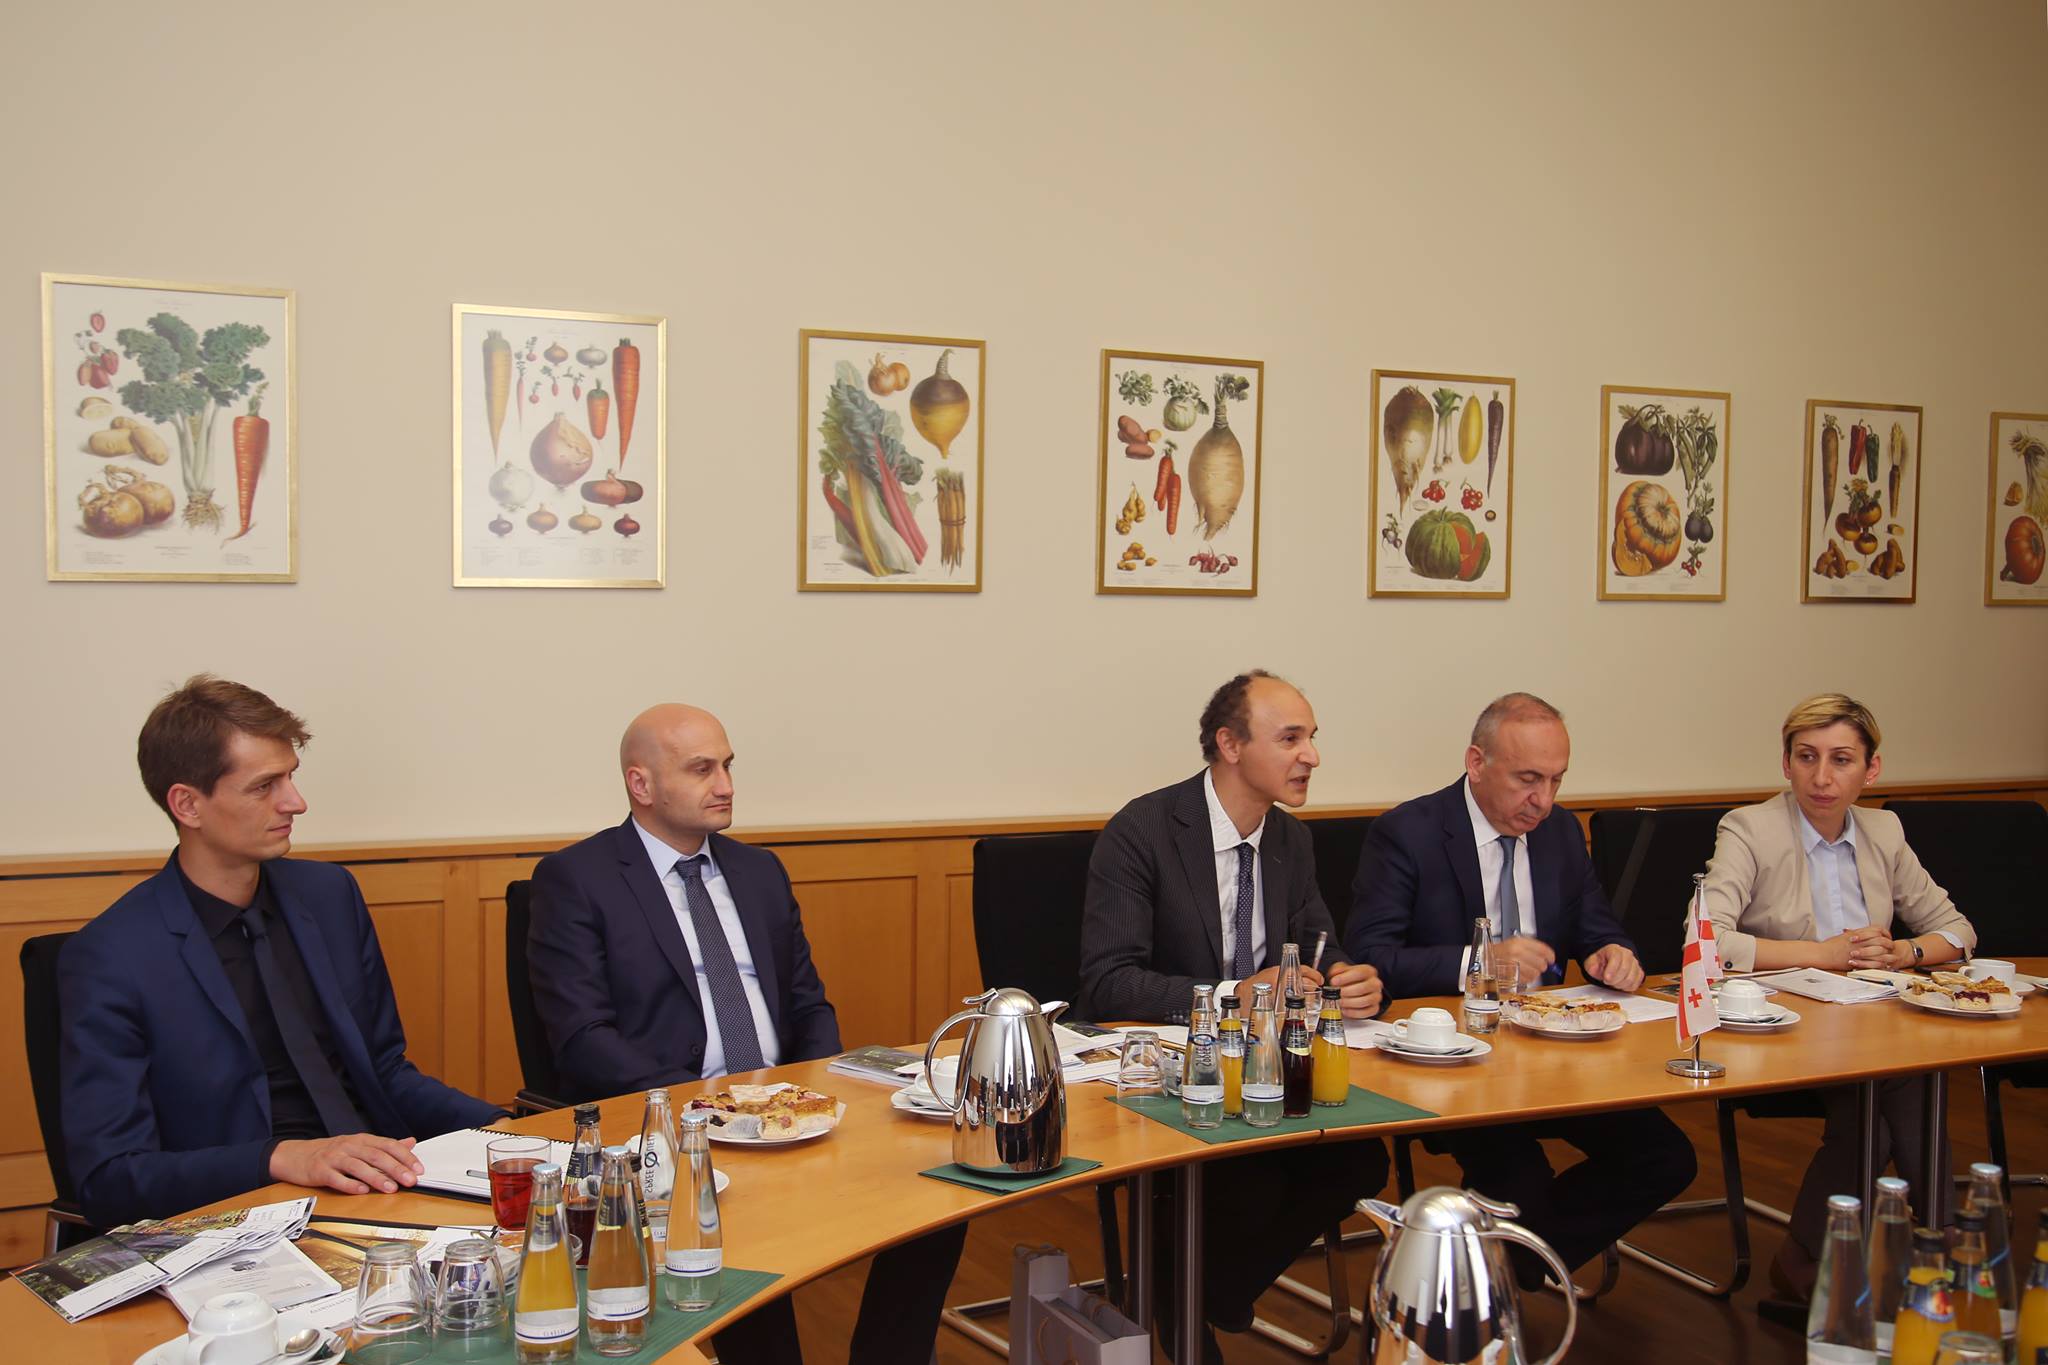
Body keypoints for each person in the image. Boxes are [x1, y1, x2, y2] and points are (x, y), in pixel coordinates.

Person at [527, 702, 963, 1365]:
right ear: (641, 784)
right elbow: (583, 1040)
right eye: (702, 769)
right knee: (741, 1253)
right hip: (676, 1131)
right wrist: (707, 1110)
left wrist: (813, 1096)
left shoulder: (759, 871)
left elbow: (808, 1005)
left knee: (940, 1189)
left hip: (787, 1116)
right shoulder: (577, 879)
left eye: (728, 766)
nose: (726, 785)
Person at [60, 676, 503, 1230]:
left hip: (380, 1188)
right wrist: (282, 1157)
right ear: (188, 804)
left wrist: (505, 1131)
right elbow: (112, 1178)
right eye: (264, 786)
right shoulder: (111, 956)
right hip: (238, 1219)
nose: (296, 802)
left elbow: (384, 1071)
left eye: (290, 776)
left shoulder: (329, 896)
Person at [1080, 670, 1390, 1362]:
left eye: (1312, 738)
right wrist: (1230, 995)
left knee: (1358, 1160)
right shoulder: (1143, 831)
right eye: (1291, 738)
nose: (1312, 756)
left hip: (1268, 1071)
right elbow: (1107, 982)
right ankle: (1189, 1293)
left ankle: (1202, 1288)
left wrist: (1348, 981)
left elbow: (1320, 946)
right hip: (1173, 1076)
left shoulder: (1291, 841)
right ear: (1230, 744)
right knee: (1248, 1179)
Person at [1345, 692, 1696, 1281]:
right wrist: (1480, 963)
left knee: (1666, 1158)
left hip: (1558, 1054)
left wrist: (1614, 955)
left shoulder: (1559, 833)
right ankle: (1499, 1273)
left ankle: (1512, 1267)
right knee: (1520, 1183)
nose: (1544, 800)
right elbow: (1371, 959)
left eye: (1557, 780)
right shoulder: (1409, 832)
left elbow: (1598, 927)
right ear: (1476, 763)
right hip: (1460, 1065)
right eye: (1528, 779)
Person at [1698, 693, 1975, 1303]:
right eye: (1807, 757)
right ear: (1787, 764)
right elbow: (1707, 941)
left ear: (1870, 770)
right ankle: (1944, 1242)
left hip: (1869, 1020)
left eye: (1841, 760)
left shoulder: (1884, 830)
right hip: (1780, 1021)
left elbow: (1957, 930)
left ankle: (1820, 1254)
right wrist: (1823, 954)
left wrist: (1903, 953)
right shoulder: (1750, 828)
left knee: (1897, 1086)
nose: (1822, 777)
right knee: (1899, 1087)